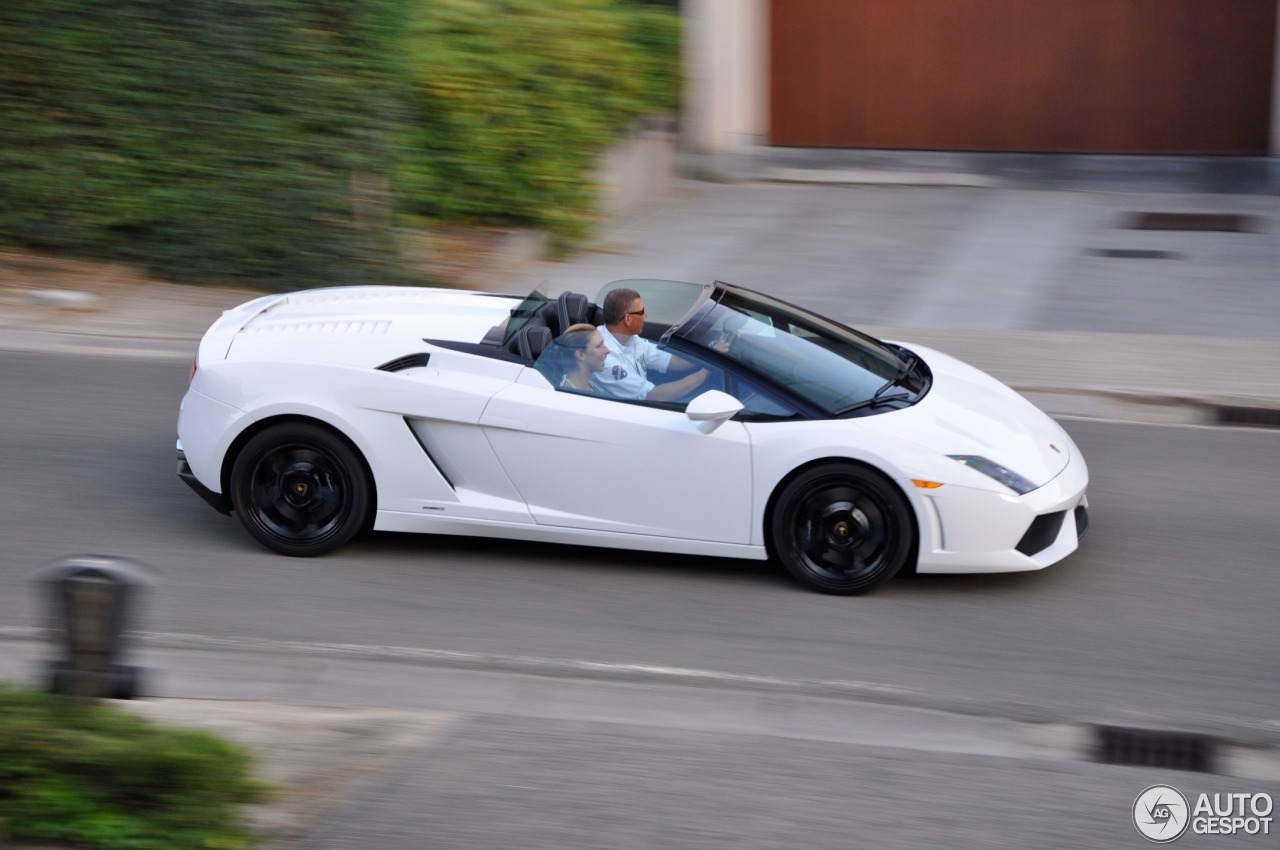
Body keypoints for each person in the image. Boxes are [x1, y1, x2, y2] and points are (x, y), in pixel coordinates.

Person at [591, 288, 710, 402]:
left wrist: (710, 353)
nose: (645, 316)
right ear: (628, 319)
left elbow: (674, 361)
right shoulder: (604, 356)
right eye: (641, 312)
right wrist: (703, 374)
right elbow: (655, 396)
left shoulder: (632, 339)